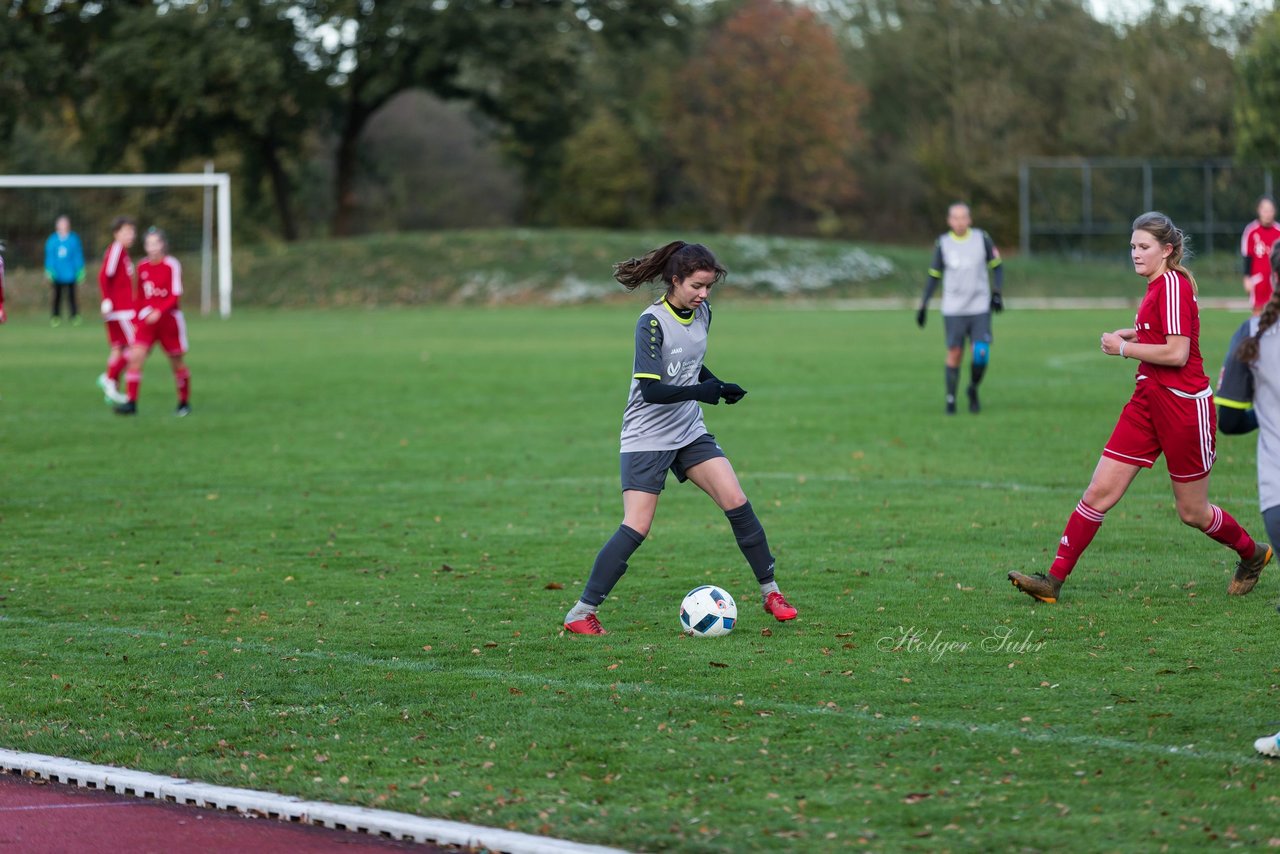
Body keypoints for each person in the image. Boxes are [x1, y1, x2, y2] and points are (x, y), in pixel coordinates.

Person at [1009, 211, 1271, 604]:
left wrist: (1124, 348)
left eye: (1144, 247)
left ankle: (1252, 554)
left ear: (1167, 250)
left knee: (1193, 512)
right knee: (1098, 492)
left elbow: (1178, 352)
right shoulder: (1157, 285)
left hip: (1184, 408)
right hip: (1147, 403)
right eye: (1132, 246)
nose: (1135, 253)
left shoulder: (1173, 285)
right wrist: (1132, 332)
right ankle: (1052, 581)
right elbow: (1162, 331)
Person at [562, 241, 798, 634]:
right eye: (697, 286)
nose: (704, 294)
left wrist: (717, 385)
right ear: (675, 280)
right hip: (647, 435)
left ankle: (771, 592)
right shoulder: (651, 322)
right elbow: (652, 390)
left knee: (736, 500)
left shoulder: (703, 313)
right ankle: (580, 613)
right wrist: (699, 392)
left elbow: (690, 361)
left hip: (688, 429)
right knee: (636, 526)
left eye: (709, 287)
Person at [916, 202, 1004, 414]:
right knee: (955, 353)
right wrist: (924, 304)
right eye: (955, 218)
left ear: (969, 219)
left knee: (981, 353)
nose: (959, 221)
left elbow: (997, 266)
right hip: (954, 309)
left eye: (963, 217)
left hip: (979, 306)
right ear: (949, 221)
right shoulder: (943, 243)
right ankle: (950, 399)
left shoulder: (981, 238)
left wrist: (997, 292)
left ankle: (973, 388)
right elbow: (934, 276)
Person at [115, 227, 190, 417]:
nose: (152, 247)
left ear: (163, 245)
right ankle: (131, 402)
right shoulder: (142, 266)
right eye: (149, 244)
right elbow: (138, 296)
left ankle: (183, 402)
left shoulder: (171, 265)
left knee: (177, 363)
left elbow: (175, 295)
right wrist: (137, 315)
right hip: (147, 323)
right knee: (135, 357)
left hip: (169, 322)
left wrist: (159, 311)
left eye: (156, 243)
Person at [97, 217, 136, 405]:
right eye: (126, 232)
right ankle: (110, 378)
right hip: (122, 310)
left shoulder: (123, 252)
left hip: (120, 310)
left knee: (118, 347)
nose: (130, 235)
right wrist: (106, 299)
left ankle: (111, 389)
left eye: (132, 231)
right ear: (116, 233)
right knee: (135, 347)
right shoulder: (117, 249)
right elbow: (104, 275)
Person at [1240, 195, 1279, 317]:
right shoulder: (1251, 231)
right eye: (1265, 210)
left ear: (1275, 211)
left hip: (1276, 279)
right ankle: (1257, 335)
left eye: (1270, 210)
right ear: (1259, 210)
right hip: (1258, 279)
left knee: (1276, 310)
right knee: (1257, 310)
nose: (1267, 214)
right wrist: (1246, 277)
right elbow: (1247, 255)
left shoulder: (1278, 231)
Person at [44, 214, 86, 326]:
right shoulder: (52, 240)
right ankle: (55, 316)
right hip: (57, 274)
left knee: (72, 296)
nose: (63, 226)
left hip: (71, 274)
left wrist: (80, 269)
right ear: (57, 226)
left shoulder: (73, 239)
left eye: (65, 224)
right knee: (57, 296)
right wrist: (49, 270)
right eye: (61, 224)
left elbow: (78, 255)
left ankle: (74, 316)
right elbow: (50, 256)